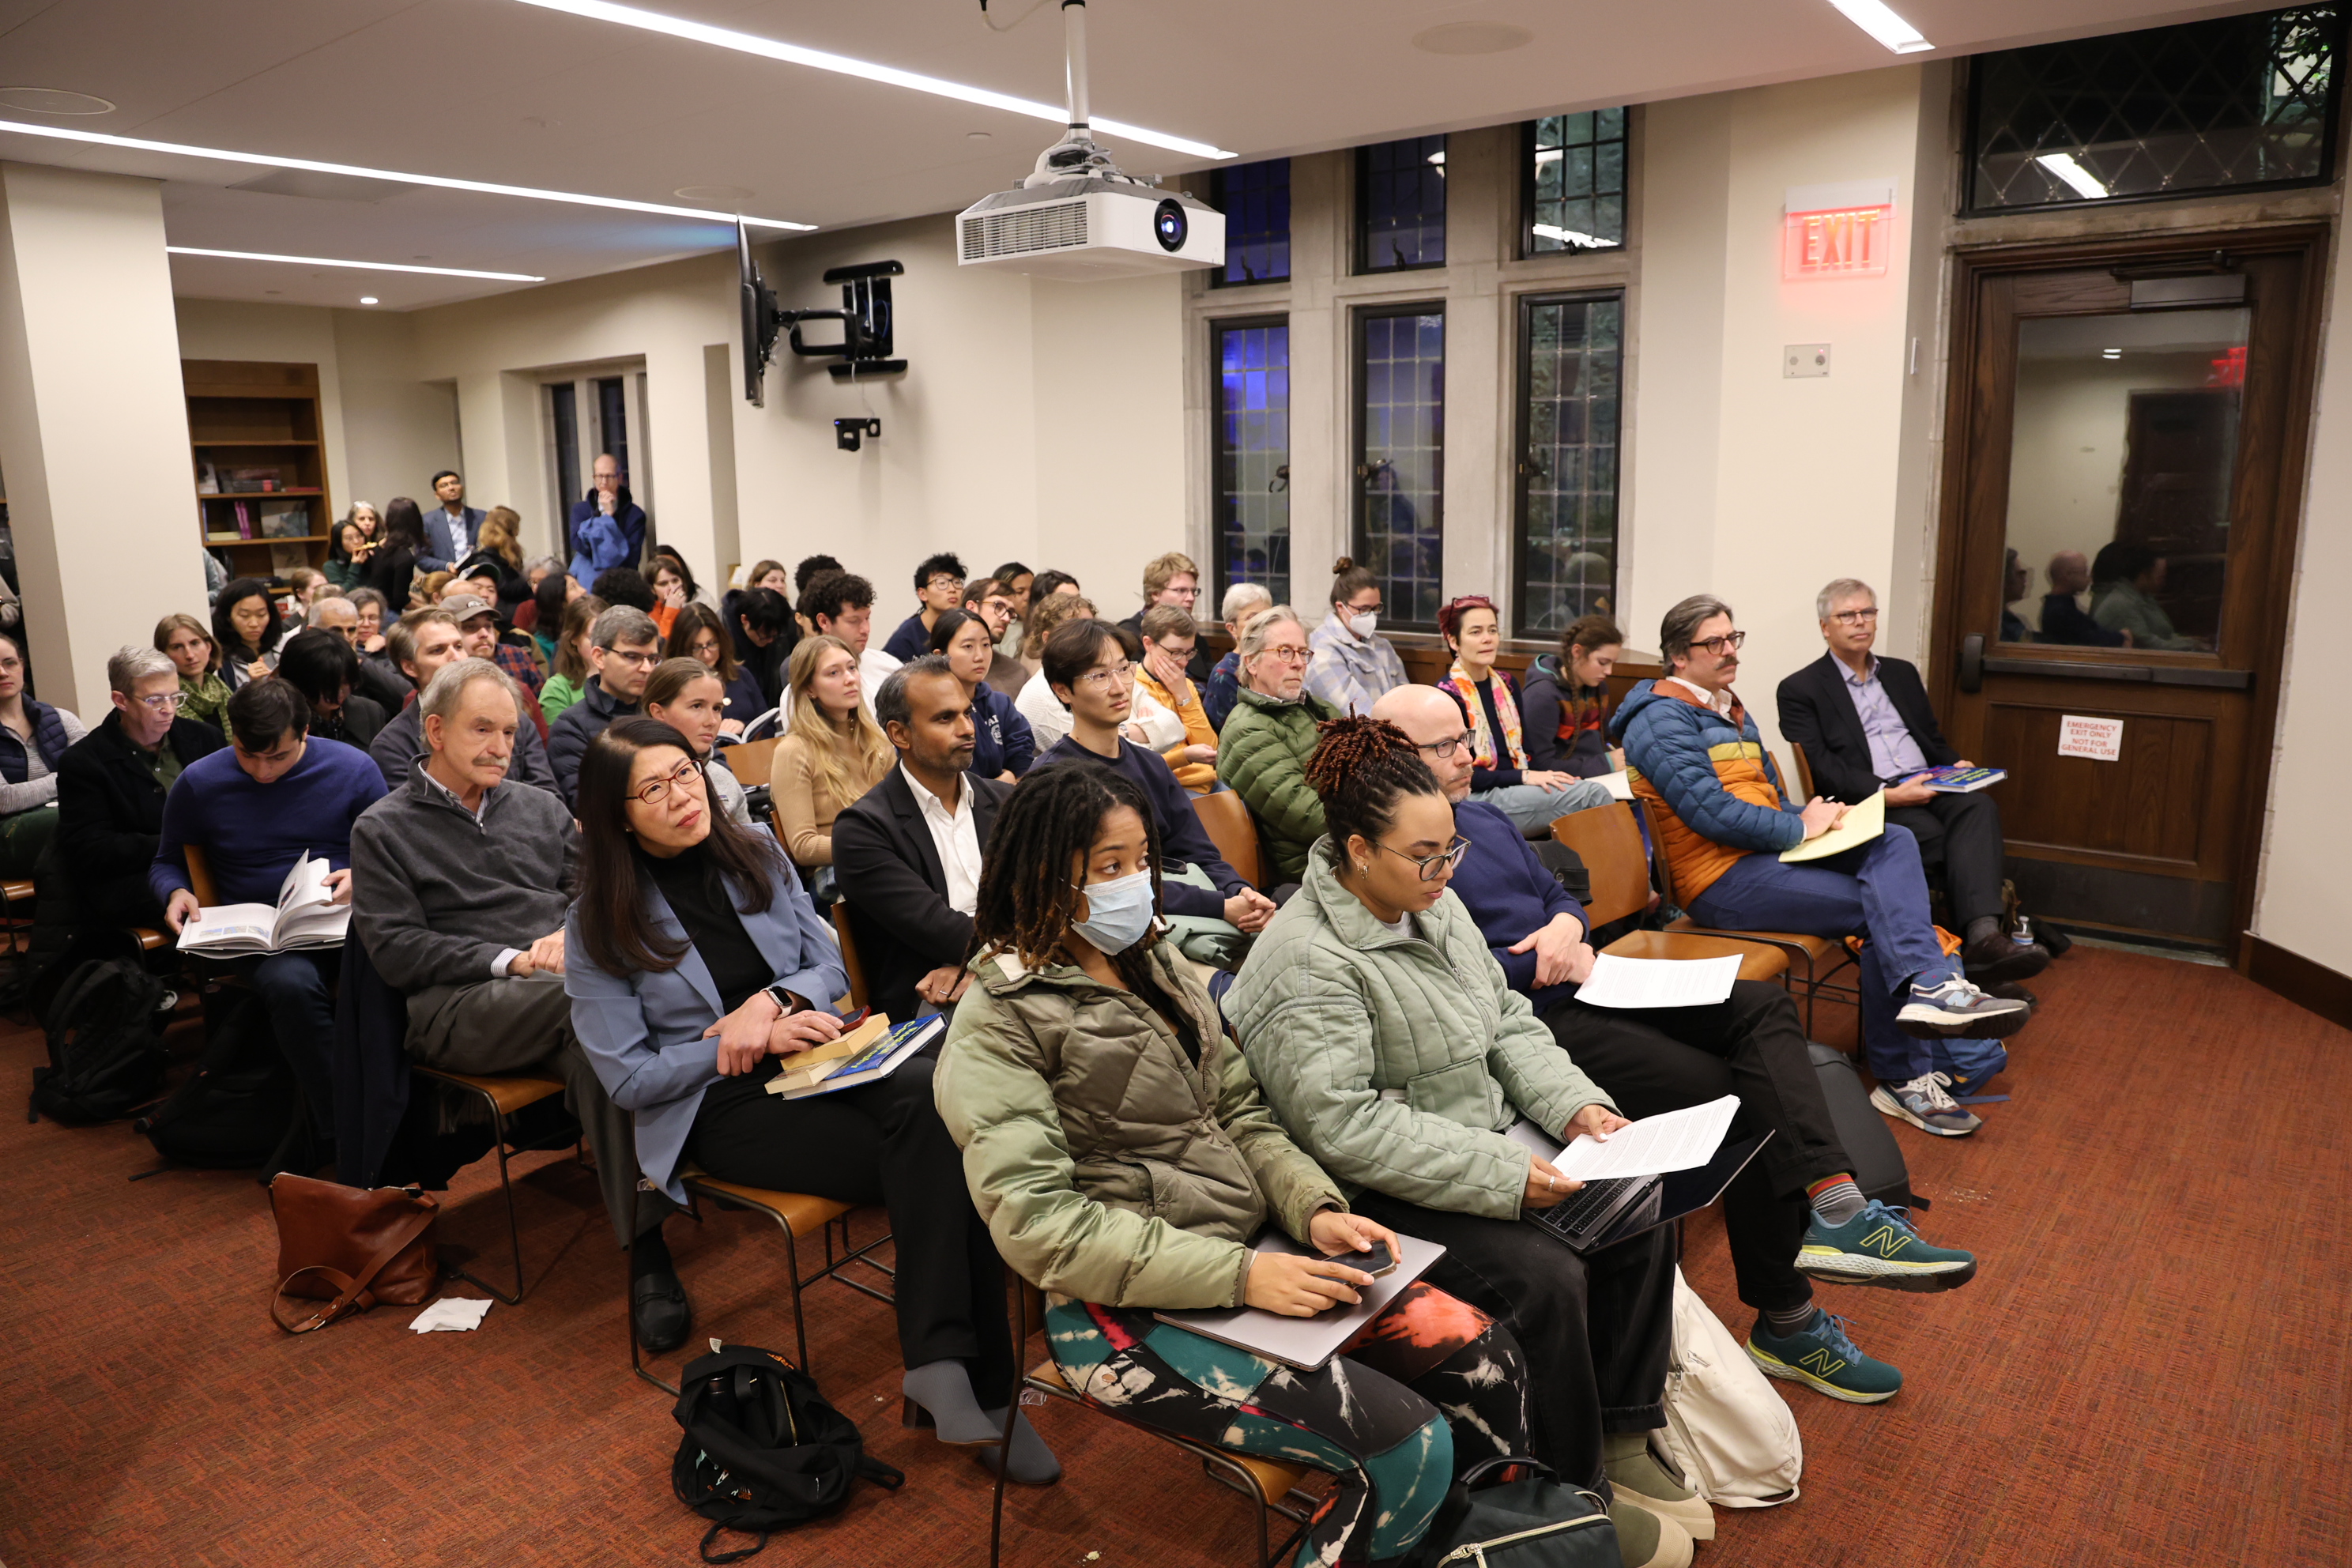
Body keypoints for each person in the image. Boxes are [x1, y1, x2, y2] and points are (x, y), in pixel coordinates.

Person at [936, 763, 1531, 1555]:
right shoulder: (997, 1022)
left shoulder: (1154, 962)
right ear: (1047, 876)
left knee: (1483, 1360)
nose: (1135, 884)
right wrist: (1244, 1276)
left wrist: (1310, 1207)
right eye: (1109, 868)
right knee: (1404, 1447)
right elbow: (1043, 1228)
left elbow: (1239, 1108)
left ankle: (1468, 1547)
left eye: (1140, 859)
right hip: (1121, 1313)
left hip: (1248, 1253)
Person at [1373, 684, 1977, 1404]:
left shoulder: (1485, 821)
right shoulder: (1397, 852)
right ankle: (1789, 1317)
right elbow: (1428, 973)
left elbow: (1562, 897)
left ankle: (1836, 1201)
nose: (1467, 755)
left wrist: (1566, 928)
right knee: (1742, 1095)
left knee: (1762, 1009)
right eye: (1443, 746)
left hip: (1593, 978)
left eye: (1465, 736)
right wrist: (1529, 962)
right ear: (1390, 753)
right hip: (1529, 1023)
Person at [1223, 717, 1697, 1566]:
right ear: (1359, 851)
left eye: (1453, 852)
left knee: (1640, 1204)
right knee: (1543, 1281)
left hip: (1466, 1143)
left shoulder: (1425, 905)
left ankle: (1622, 1433)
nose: (1447, 872)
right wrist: (1508, 1172)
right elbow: (1344, 1127)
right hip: (1367, 1193)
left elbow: (1506, 1021)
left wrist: (1577, 1107)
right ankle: (1566, 1494)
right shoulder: (1307, 956)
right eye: (1426, 856)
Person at [565, 718, 1041, 1476]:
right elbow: (627, 1077)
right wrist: (733, 1043)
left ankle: (951, 1372)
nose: (681, 796)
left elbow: (830, 971)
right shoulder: (597, 924)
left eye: (685, 772)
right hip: (716, 1106)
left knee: (934, 1099)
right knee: (938, 1145)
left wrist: (773, 1003)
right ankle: (972, 1382)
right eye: (651, 789)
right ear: (618, 813)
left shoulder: (753, 852)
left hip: (819, 1060)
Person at [349, 658, 683, 1343]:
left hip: (558, 987)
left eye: (509, 731)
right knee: (594, 1004)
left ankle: (647, 1246)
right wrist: (512, 958)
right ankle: (672, 1193)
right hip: (456, 1006)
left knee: (595, 1040)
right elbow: (398, 951)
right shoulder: (382, 829)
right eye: (483, 729)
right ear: (435, 730)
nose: (502, 746)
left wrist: (566, 937)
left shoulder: (538, 806)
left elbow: (593, 892)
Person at [1612, 596, 2031, 1137]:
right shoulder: (1659, 719)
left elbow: (1764, 798)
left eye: (1732, 638)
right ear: (1677, 656)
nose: (1729, 652)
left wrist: (1825, 816)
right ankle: (1907, 1069)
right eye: (1712, 643)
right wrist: (1800, 827)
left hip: (1765, 855)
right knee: (1882, 910)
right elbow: (1711, 814)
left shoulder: (1728, 706)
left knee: (1892, 838)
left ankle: (1928, 992)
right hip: (1717, 880)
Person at [1777, 579, 2049, 984]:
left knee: (1978, 807)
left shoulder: (1901, 673)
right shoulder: (1801, 688)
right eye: (1847, 615)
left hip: (1928, 782)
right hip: (1867, 799)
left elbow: (1931, 741)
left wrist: (1955, 766)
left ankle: (1982, 940)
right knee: (1940, 840)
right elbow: (1824, 770)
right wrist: (1888, 795)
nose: (1860, 622)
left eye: (1868, 612)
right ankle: (1973, 964)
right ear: (1825, 626)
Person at [152, 678, 388, 1140]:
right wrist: (174, 892)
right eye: (247, 754)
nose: (262, 771)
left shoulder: (353, 769)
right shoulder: (200, 782)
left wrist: (364, 874)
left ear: (305, 734)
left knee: (398, 966)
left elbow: (393, 847)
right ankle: (348, 1131)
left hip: (344, 918)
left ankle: (403, 1106)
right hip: (260, 934)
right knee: (292, 985)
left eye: (278, 757)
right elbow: (166, 861)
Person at [1033, 622, 1274, 940]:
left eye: (1123, 669)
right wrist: (1219, 904)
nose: (1120, 687)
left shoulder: (1150, 764)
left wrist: (1240, 891)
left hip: (1193, 909)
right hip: (1115, 931)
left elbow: (1199, 853)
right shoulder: (1052, 779)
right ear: (1063, 690)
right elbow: (1106, 884)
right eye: (1100, 676)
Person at [831, 659, 1012, 1024]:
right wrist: (1003, 951)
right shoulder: (863, 830)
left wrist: (981, 962)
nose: (966, 729)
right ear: (900, 734)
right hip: (927, 1000)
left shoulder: (1006, 801)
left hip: (1005, 971)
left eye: (967, 713)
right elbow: (938, 928)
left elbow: (1051, 899)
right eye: (945, 718)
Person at [58, 646, 227, 933]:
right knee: (209, 900)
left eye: (175, 697)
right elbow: (91, 850)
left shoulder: (204, 738)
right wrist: (178, 845)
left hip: (211, 864)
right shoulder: (85, 761)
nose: (169, 709)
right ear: (120, 700)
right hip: (133, 879)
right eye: (155, 700)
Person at [1434, 595, 1612, 835]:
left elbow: (1529, 752)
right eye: (1476, 632)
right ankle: (1618, 873)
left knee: (1582, 787)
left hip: (1514, 784)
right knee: (1593, 795)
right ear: (1454, 641)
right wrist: (1525, 776)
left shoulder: (1507, 684)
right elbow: (1462, 776)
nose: (1487, 639)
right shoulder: (1448, 695)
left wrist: (1542, 775)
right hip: (1474, 797)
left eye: (1493, 630)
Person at [1216, 605, 1340, 888]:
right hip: (1317, 869)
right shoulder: (1248, 729)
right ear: (1251, 662)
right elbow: (1309, 817)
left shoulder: (1315, 707)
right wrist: (1383, 820)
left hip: (1350, 847)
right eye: (1285, 652)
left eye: (1302, 652)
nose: (1298, 662)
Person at [769, 635, 892, 877]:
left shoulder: (877, 741)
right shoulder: (794, 751)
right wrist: (873, 846)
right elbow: (803, 847)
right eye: (833, 673)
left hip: (886, 861)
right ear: (809, 688)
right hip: (837, 875)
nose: (849, 679)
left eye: (851, 668)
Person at [549, 605, 662, 805]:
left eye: (652, 659)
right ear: (599, 657)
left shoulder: (661, 713)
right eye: (632, 657)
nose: (646, 668)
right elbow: (584, 803)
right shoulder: (570, 727)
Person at [0, 633, 83, 878]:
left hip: (64, 824)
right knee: (72, 818)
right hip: (8, 833)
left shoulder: (61, 719)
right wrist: (66, 778)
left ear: (22, 666)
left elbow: (96, 772)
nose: (3, 672)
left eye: (10, 663)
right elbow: (4, 799)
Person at [638, 658, 751, 827]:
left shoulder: (722, 777)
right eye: (697, 706)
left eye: (717, 709)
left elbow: (750, 848)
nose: (712, 721)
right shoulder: (633, 778)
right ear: (659, 713)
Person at [925, 608, 1034, 782]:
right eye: (968, 647)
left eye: (986, 645)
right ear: (940, 656)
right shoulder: (927, 708)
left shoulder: (1000, 704)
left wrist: (1014, 777)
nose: (979, 656)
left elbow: (1022, 757)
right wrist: (998, 785)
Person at [1522, 615, 1625, 778]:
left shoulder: (1599, 687)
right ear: (1577, 652)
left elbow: (1603, 740)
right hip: (1561, 786)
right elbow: (1538, 765)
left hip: (1596, 777)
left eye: (1613, 663)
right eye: (1603, 662)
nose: (1609, 671)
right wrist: (1606, 764)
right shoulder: (1542, 695)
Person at [1304, 557, 1408, 716]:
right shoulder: (1322, 649)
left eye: (1376, 608)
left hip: (1392, 733)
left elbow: (1407, 697)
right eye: (1364, 609)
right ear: (1341, 607)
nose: (1371, 616)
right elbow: (1352, 711)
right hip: (1354, 737)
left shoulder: (1382, 646)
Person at [1133, 605, 1217, 793]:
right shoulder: (1131, 688)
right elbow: (1143, 763)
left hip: (1208, 781)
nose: (1184, 662)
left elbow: (1210, 746)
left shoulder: (1184, 684)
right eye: (1175, 652)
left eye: (1189, 652)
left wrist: (1183, 696)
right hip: (1170, 787)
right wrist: (1185, 756)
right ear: (1148, 644)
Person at [793, 572, 895, 716]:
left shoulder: (887, 664)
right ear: (824, 622)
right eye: (853, 621)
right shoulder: (799, 693)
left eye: (867, 618)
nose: (866, 629)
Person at [276, 628, 386, 752]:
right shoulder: (282, 720)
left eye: (345, 683)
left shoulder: (370, 711)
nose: (339, 692)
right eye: (328, 685)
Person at [666, 601, 762, 735]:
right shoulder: (672, 686)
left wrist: (743, 726)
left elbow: (767, 725)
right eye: (697, 647)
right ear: (682, 649)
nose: (706, 654)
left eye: (711, 644)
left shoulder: (740, 674)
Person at [1118, 551, 1215, 680]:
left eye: (1193, 591)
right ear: (1155, 593)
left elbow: (1211, 678)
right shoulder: (1129, 634)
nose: (1191, 598)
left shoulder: (1193, 635)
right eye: (1181, 590)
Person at [305, 597, 412, 712]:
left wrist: (361, 662)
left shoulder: (374, 658)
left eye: (351, 630)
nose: (346, 637)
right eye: (336, 630)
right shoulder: (298, 660)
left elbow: (407, 697)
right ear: (312, 630)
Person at [446, 591, 545, 711]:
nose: (484, 634)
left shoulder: (517, 656)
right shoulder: (444, 666)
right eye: (470, 627)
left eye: (488, 626)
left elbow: (540, 711)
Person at [2090, 541, 2198, 650]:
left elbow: (2165, 633)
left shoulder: (2144, 597)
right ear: (2144, 575)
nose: (2163, 583)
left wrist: (2190, 641)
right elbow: (2148, 645)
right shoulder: (2122, 603)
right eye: (2161, 577)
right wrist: (2193, 646)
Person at [1202, 580, 1272, 732]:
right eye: (1252, 617)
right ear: (1232, 629)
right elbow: (1237, 733)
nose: (1261, 624)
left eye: (1266, 616)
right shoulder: (1225, 674)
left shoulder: (1275, 661)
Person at [564, 457, 644, 586]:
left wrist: (608, 519)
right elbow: (578, 544)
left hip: (622, 583)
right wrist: (605, 516)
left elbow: (632, 556)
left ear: (620, 478)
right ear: (594, 478)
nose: (604, 482)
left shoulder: (635, 514)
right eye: (599, 476)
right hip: (588, 581)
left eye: (609, 476)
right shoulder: (581, 510)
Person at [883, 552, 968, 663]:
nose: (952, 589)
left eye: (957, 582)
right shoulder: (905, 639)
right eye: (942, 583)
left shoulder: (967, 626)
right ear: (923, 594)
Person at [156, 612, 232, 733]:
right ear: (163, 655)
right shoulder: (162, 702)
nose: (190, 655)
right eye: (177, 647)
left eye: (195, 643)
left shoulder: (222, 689)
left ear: (208, 646)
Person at [2039, 549, 2128, 647]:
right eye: (2084, 572)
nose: (2089, 578)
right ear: (2068, 575)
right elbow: (2088, 639)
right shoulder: (2060, 612)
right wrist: (2121, 637)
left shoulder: (2062, 607)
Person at [958, 577, 1029, 699]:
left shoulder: (1017, 673)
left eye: (1010, 612)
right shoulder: (943, 666)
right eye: (998, 607)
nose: (1006, 618)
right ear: (971, 608)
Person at [212, 579, 285, 691]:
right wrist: (252, 685)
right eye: (244, 616)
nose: (254, 624)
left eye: (261, 615)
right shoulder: (219, 658)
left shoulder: (285, 645)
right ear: (227, 617)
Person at [364, 497, 425, 607]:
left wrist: (427, 604)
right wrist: (428, 609)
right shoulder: (404, 557)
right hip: (388, 613)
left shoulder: (379, 548)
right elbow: (400, 599)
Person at [420, 470, 484, 575]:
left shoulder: (482, 517)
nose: (451, 488)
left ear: (462, 487)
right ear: (437, 495)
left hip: (478, 575)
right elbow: (421, 558)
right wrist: (447, 566)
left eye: (454, 483)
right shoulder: (427, 521)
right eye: (444, 486)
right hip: (445, 578)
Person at [987, 559, 1033, 658]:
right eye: (1020, 592)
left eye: (1032, 590)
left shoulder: (1038, 625)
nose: (1028, 597)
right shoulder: (996, 627)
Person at [647, 556, 695, 644]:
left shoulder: (690, 608)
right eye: (663, 584)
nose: (672, 588)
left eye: (675, 581)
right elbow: (661, 647)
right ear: (652, 589)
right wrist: (671, 610)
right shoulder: (647, 616)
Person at [324, 514, 375, 594]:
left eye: (359, 536)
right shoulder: (331, 566)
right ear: (339, 543)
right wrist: (355, 566)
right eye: (349, 538)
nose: (356, 541)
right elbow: (342, 594)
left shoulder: (374, 557)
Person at [2000, 548, 2032, 643]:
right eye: (2020, 574)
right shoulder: (2005, 626)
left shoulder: (2007, 621)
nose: (2024, 580)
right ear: (2005, 579)